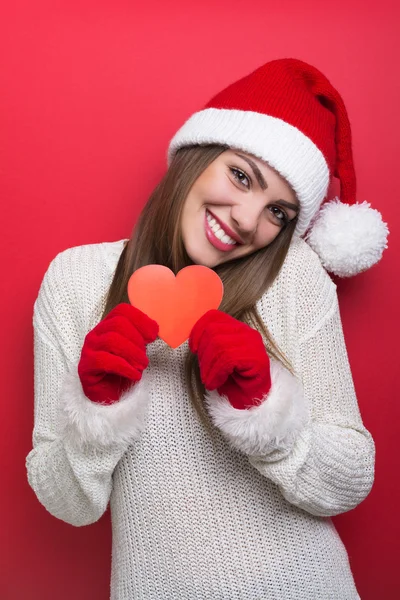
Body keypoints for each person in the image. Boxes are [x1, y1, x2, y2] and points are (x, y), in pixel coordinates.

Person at [26, 58, 389, 599]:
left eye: (278, 213)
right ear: (195, 158)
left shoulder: (293, 276)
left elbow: (349, 480)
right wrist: (95, 411)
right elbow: (68, 504)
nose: (246, 218)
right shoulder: (76, 280)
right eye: (241, 176)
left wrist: (264, 406)